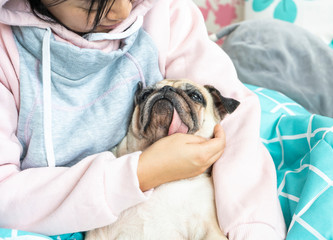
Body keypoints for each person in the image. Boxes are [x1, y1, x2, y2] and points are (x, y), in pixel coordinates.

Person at [0, 0, 286, 239]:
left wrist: (253, 229)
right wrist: (141, 172)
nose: (123, 12)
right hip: (46, 219)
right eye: (93, 5)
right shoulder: (7, 53)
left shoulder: (165, 12)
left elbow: (235, 122)